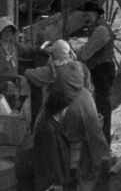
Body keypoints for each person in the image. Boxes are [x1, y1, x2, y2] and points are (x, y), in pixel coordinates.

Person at [24, 39, 110, 191]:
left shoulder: (52, 70)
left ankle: (60, 173)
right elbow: (89, 87)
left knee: (45, 129)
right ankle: (100, 167)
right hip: (87, 102)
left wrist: (26, 70)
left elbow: (31, 75)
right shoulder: (81, 66)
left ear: (54, 55)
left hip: (66, 107)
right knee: (93, 137)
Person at [76, 0, 117, 138]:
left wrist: (72, 56)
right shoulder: (97, 28)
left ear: (96, 14)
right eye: (84, 16)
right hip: (99, 70)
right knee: (99, 104)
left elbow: (85, 54)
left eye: (88, 15)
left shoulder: (101, 30)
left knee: (102, 105)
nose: (85, 19)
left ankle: (104, 140)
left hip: (103, 71)